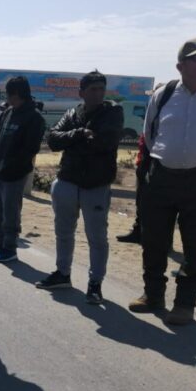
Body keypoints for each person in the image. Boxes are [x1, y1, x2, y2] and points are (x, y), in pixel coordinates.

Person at [36, 71, 124, 304]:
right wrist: (79, 134)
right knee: (63, 232)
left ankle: (95, 283)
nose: (98, 93)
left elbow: (104, 142)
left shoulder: (112, 113)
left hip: (95, 184)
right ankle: (62, 273)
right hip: (67, 181)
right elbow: (53, 140)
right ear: (81, 92)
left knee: (96, 237)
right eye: (93, 89)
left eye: (101, 89)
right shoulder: (73, 113)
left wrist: (74, 141)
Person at [128, 38, 196, 325]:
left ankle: (184, 304)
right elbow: (150, 134)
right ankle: (153, 295)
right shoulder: (164, 94)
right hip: (161, 177)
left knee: (195, 246)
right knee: (154, 240)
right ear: (181, 65)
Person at [0, 76, 45, 263]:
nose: (6, 99)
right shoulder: (9, 112)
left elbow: (31, 148)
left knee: (11, 212)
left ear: (16, 94)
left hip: (15, 173)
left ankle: (9, 247)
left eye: (8, 95)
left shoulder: (34, 117)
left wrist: (13, 164)